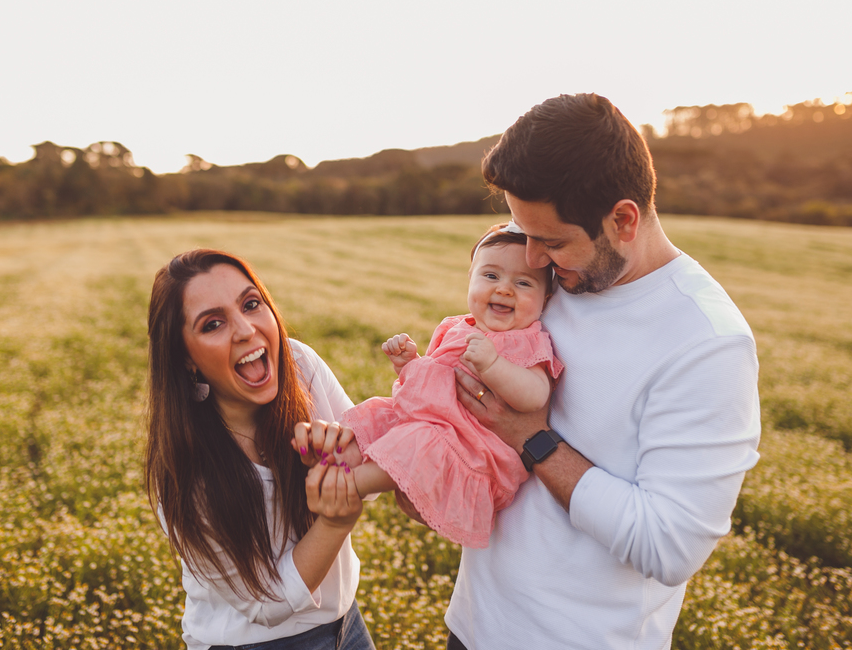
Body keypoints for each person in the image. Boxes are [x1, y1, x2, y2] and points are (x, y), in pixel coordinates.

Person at [433, 94, 762, 650]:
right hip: (470, 625)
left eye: (552, 241)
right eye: (523, 232)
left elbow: (668, 547)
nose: (531, 259)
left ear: (623, 220)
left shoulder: (707, 342)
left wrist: (533, 439)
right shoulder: (551, 278)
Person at [144, 249, 376, 650]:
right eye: (213, 324)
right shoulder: (185, 472)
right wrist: (334, 522)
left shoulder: (299, 365)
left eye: (251, 304)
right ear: (186, 359)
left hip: (347, 627)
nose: (245, 330)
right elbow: (267, 603)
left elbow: (376, 464)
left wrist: (345, 461)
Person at [299, 224, 563, 549]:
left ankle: (347, 485)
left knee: (419, 440)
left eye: (523, 283)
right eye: (491, 276)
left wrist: (494, 365)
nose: (505, 289)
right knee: (379, 415)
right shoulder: (456, 327)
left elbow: (536, 395)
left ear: (546, 298)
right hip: (433, 424)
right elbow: (437, 379)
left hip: (471, 450)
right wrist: (410, 362)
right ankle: (332, 462)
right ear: (471, 279)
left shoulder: (528, 340)